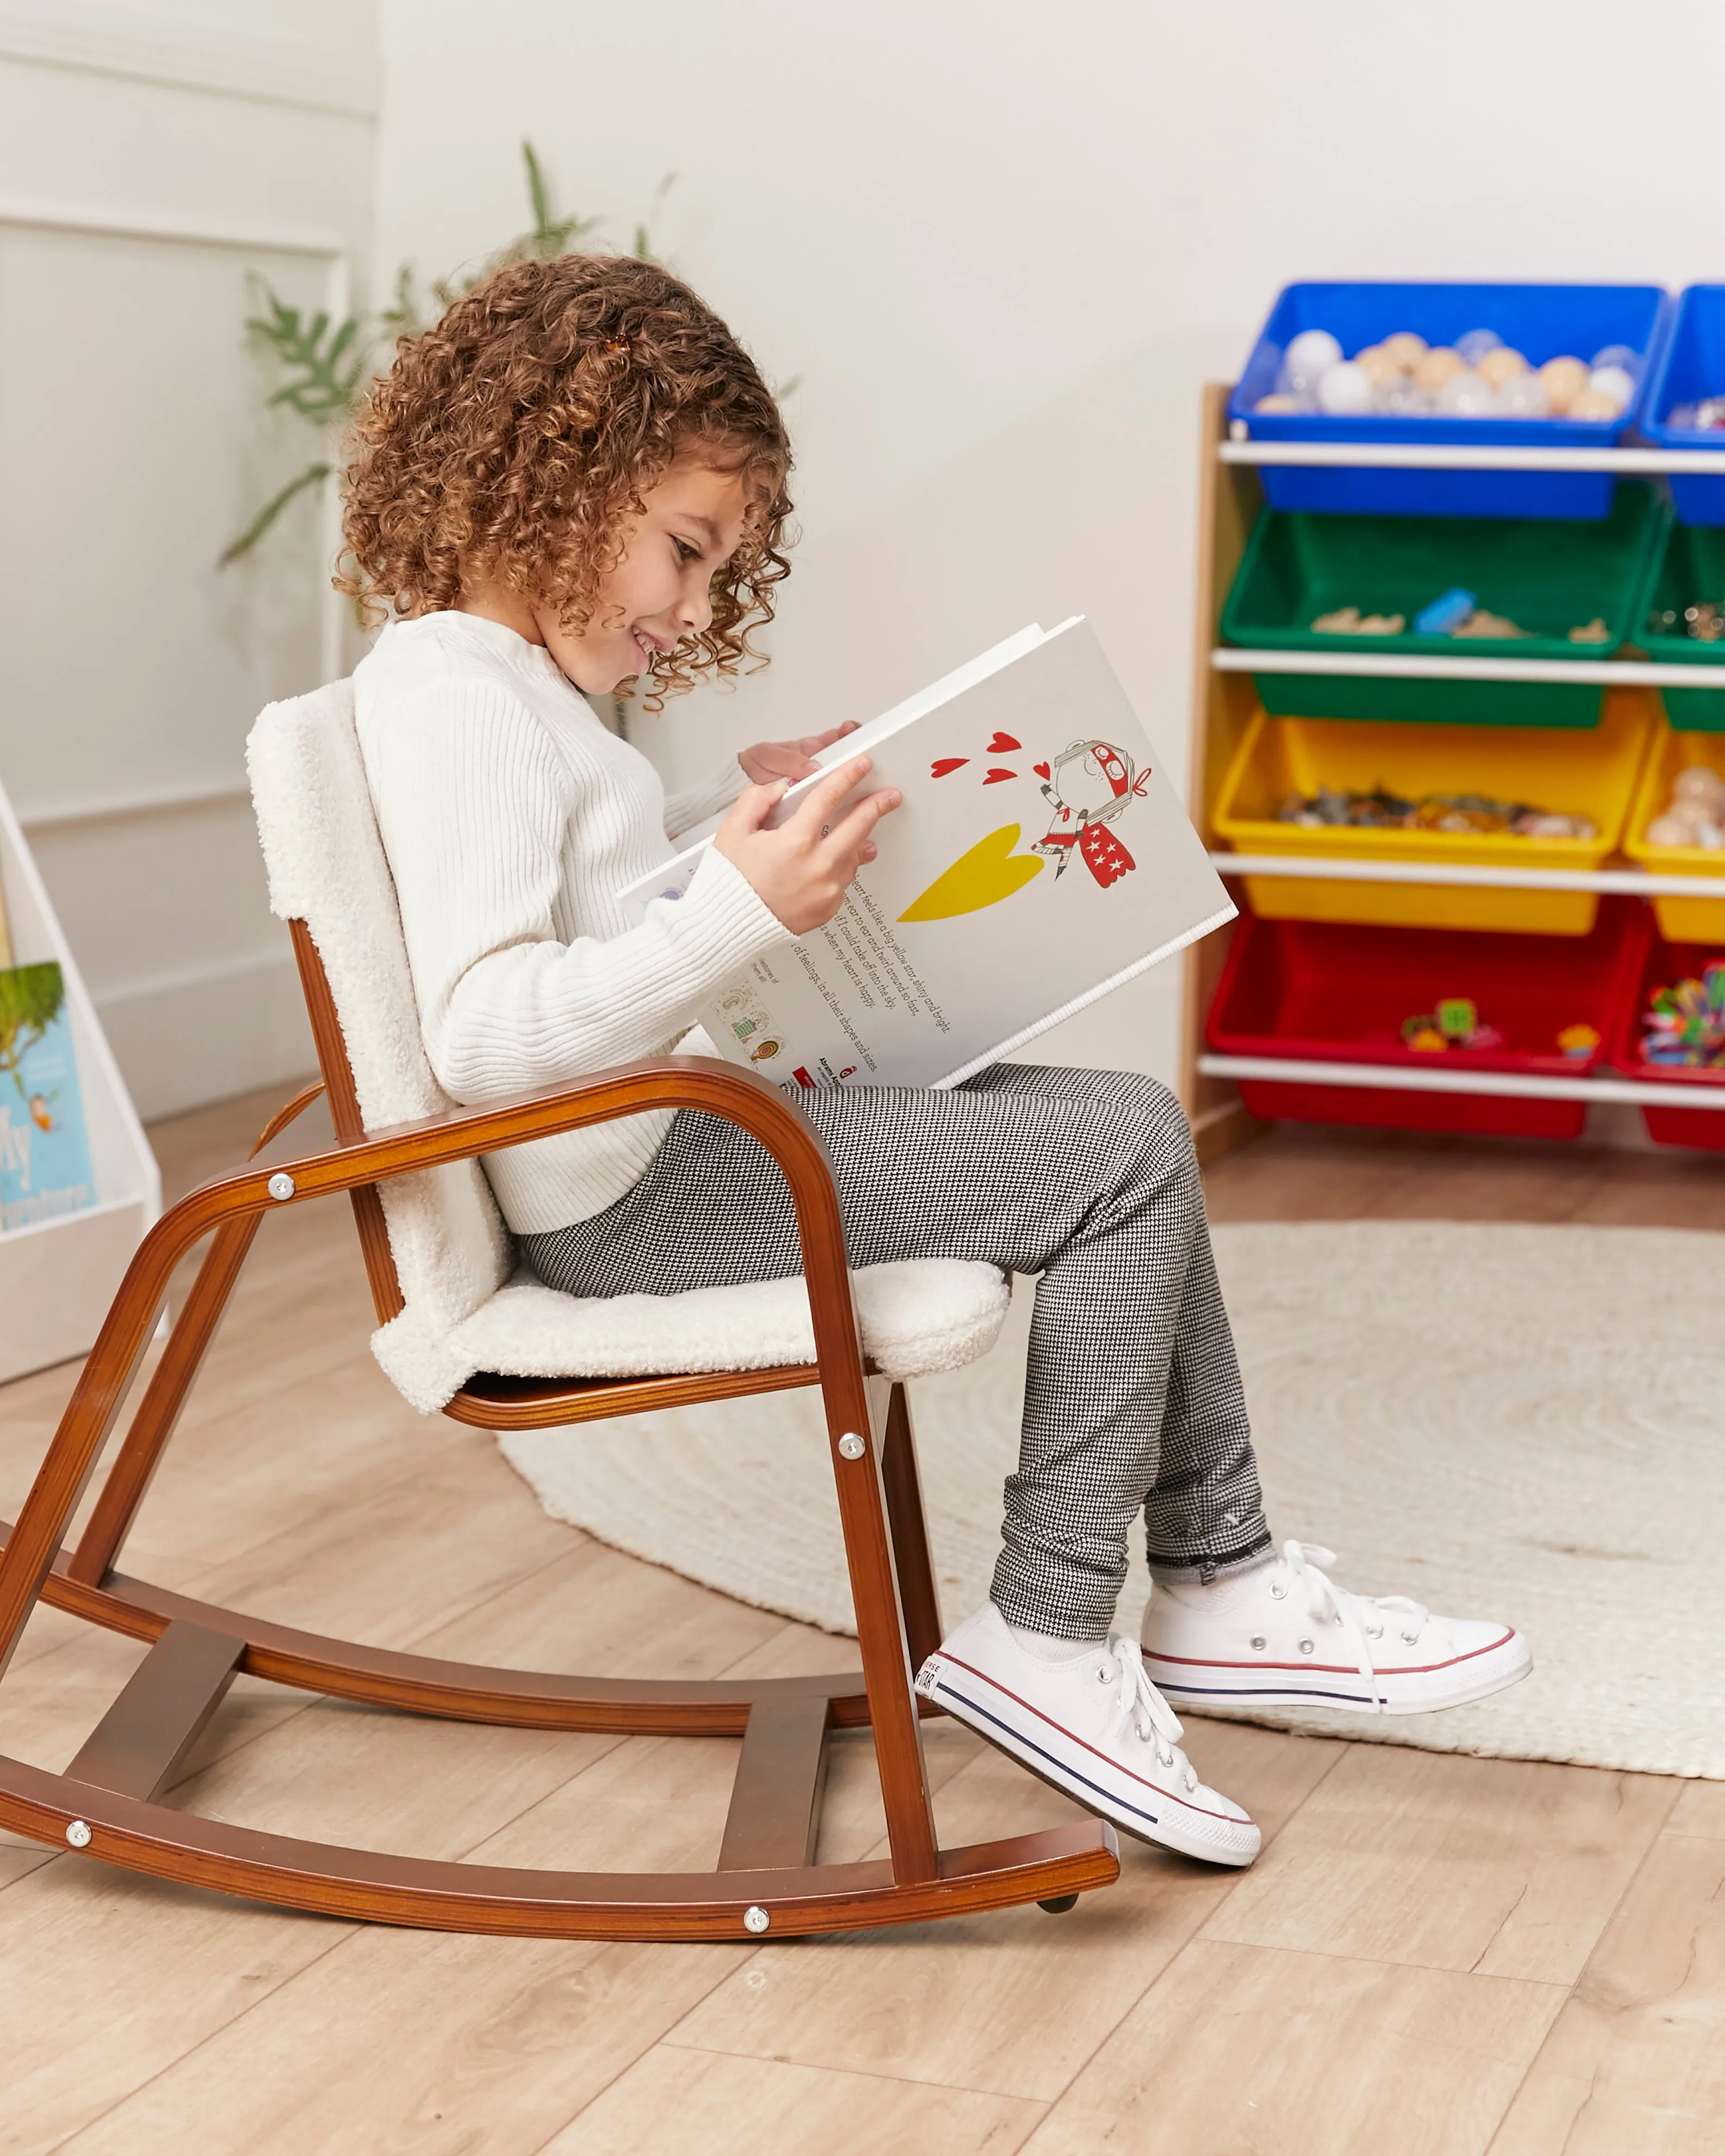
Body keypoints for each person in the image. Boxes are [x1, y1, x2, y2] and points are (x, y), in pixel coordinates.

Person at [346, 254, 1528, 1868]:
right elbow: (486, 1038)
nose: (693, 612)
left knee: (1128, 1131)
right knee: (1125, 1150)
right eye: (685, 552)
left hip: (678, 1139)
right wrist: (740, 916)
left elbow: (583, 910)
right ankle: (1065, 1628)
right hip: (642, 1189)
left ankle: (1219, 1582)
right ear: (566, 469)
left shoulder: (513, 692)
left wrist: (726, 831)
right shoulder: (461, 703)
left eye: (717, 571)